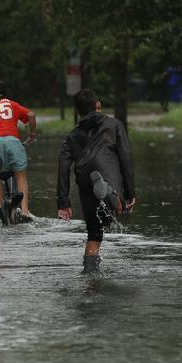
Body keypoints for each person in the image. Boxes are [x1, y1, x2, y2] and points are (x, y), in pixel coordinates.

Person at [57, 89, 137, 273]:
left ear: (78, 112)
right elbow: (125, 157)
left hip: (83, 177)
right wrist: (130, 192)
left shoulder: (72, 136)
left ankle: (90, 274)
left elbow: (63, 167)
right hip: (107, 172)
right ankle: (111, 194)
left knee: (94, 232)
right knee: (119, 209)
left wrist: (63, 201)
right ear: (98, 105)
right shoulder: (114, 125)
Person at [0, 80, 37, 220]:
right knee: (20, 175)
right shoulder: (12, 104)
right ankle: (24, 211)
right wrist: (32, 135)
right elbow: (31, 115)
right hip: (13, 141)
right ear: (4, 93)